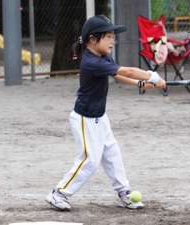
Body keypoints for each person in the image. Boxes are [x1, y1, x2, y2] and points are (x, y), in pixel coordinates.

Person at [45, 14, 166, 211]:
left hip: (100, 117)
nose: (113, 40)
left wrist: (141, 84)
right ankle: (58, 193)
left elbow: (117, 75)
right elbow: (126, 71)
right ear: (93, 39)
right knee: (90, 160)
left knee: (112, 154)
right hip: (85, 118)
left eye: (112, 36)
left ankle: (124, 193)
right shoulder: (92, 61)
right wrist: (153, 76)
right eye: (108, 36)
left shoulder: (102, 57)